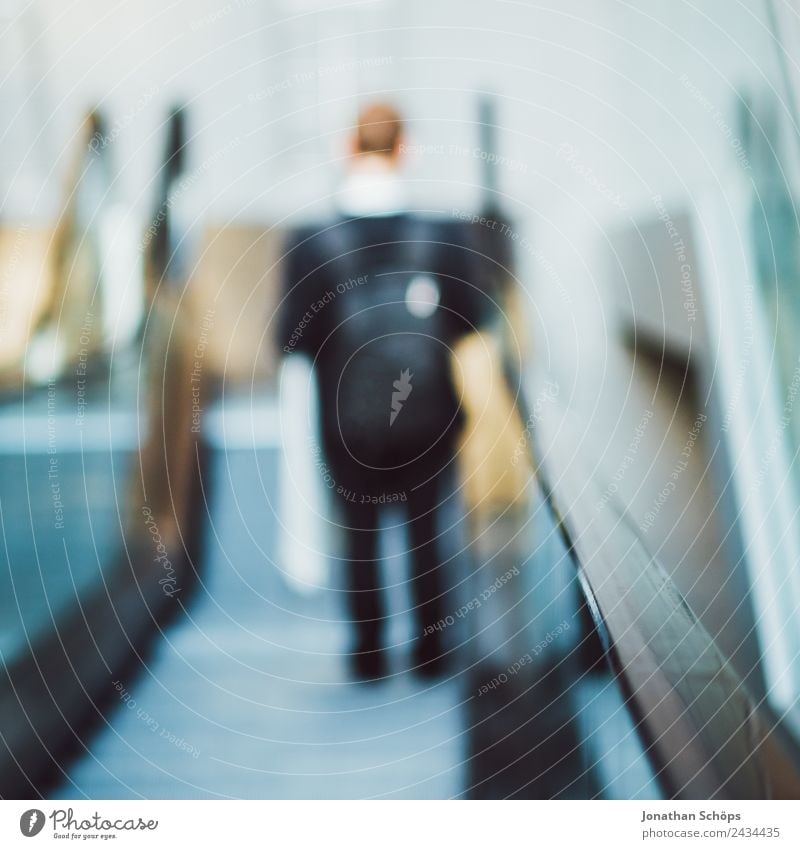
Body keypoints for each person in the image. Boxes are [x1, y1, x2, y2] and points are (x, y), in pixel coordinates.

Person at [279, 103, 492, 681]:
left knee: (358, 532)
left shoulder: (310, 238)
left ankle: (369, 652)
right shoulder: (442, 232)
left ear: (348, 149)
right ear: (407, 150)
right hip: (428, 410)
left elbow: (290, 337)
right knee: (427, 529)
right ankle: (430, 652)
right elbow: (472, 318)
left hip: (346, 415)